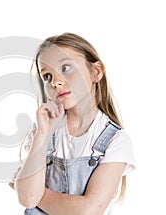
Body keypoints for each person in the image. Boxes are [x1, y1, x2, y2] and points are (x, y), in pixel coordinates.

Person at [9, 32, 135, 215]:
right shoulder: (42, 134)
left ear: (96, 72)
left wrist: (36, 194)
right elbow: (27, 199)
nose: (56, 82)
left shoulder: (116, 141)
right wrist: (43, 135)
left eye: (66, 67)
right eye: (47, 76)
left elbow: (89, 210)